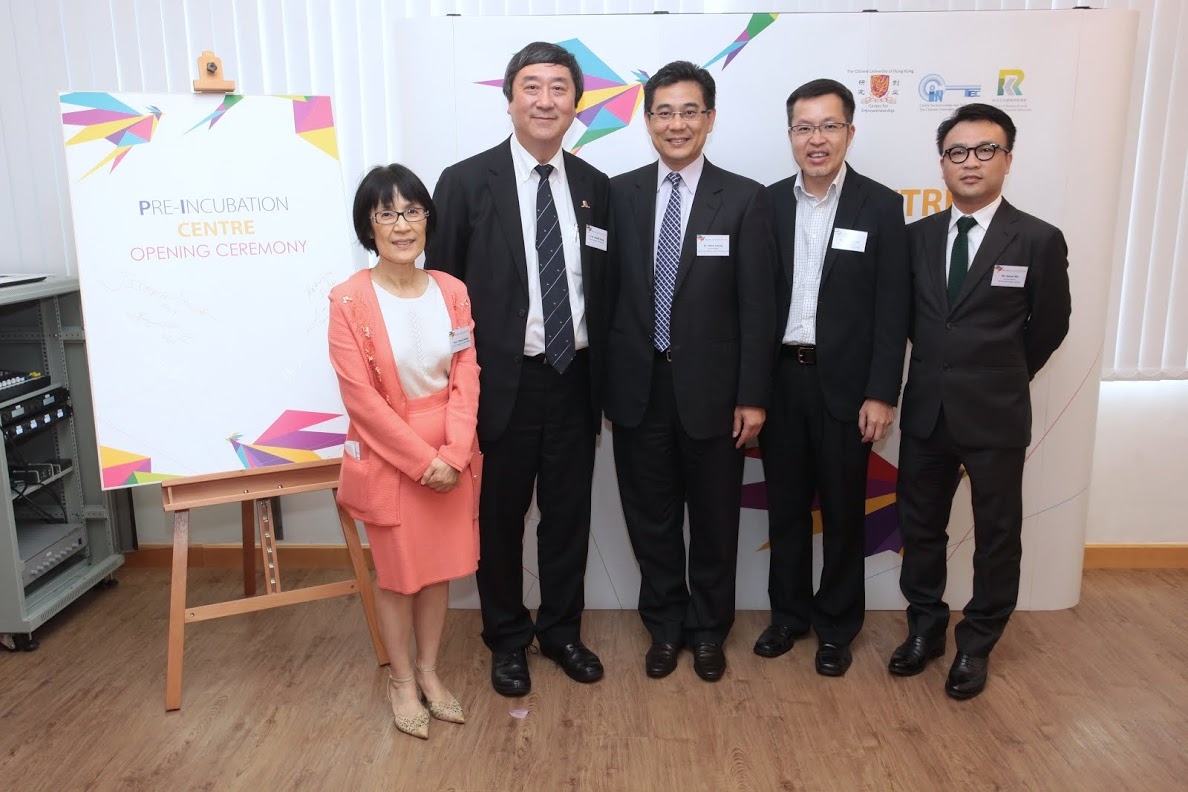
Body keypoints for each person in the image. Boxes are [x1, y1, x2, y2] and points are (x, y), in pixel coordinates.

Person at [426, 42, 611, 697]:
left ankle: (561, 631)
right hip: (498, 386)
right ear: (509, 98)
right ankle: (506, 638)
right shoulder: (465, 182)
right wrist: (452, 391)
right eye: (531, 87)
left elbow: (606, 293)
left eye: (559, 88)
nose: (545, 100)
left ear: (575, 104)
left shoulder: (595, 188)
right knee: (499, 522)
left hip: (574, 380)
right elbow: (439, 293)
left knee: (568, 517)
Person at [891, 103, 1071, 699]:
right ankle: (925, 629)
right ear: (941, 163)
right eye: (957, 152)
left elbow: (1047, 327)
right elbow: (904, 324)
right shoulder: (914, 237)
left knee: (996, 535)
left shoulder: (1038, 239)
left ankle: (977, 644)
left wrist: (1002, 375)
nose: (970, 163)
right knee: (921, 529)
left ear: (1008, 159)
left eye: (985, 150)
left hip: (994, 414)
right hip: (926, 412)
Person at [605, 60, 776, 682]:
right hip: (638, 390)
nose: (675, 124)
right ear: (647, 119)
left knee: (712, 521)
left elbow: (760, 306)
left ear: (709, 118)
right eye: (662, 112)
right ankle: (666, 626)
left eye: (688, 111)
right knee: (649, 519)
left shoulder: (745, 197)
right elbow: (601, 296)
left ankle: (708, 630)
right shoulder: (617, 194)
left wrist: (753, 395)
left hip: (715, 394)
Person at [754, 79, 910, 677]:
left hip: (849, 388)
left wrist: (881, 392)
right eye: (804, 127)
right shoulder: (765, 204)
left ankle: (837, 627)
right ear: (790, 134)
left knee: (845, 513)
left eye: (829, 126)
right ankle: (788, 617)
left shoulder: (880, 205)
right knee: (786, 509)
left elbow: (891, 310)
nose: (816, 139)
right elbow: (753, 305)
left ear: (849, 131)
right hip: (781, 382)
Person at [329, 164, 481, 739]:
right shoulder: (348, 300)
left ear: (427, 220)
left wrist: (456, 450)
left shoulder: (452, 290)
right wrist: (424, 463)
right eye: (386, 213)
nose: (402, 224)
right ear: (369, 226)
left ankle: (429, 671)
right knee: (397, 576)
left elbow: (466, 370)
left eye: (412, 211)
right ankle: (399, 681)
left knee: (438, 571)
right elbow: (360, 400)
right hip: (393, 457)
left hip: (451, 448)